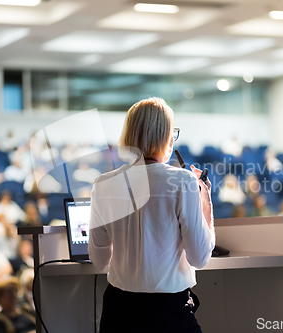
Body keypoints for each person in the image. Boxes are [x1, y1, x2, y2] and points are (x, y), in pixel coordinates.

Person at [89, 98, 215, 333]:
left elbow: (99, 260)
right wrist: (205, 202)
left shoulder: (103, 184)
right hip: (169, 312)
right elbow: (199, 257)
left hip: (118, 312)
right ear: (166, 136)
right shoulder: (183, 181)